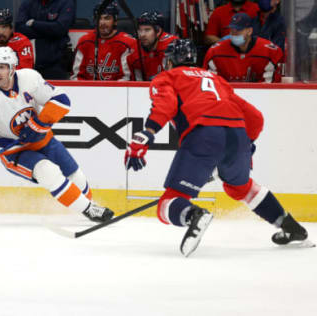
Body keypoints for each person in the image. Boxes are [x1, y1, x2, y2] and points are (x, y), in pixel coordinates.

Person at [124, 39, 311, 257]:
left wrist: (147, 133)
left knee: (168, 203)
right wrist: (246, 144)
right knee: (240, 188)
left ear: (169, 61)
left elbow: (165, 105)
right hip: (238, 135)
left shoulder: (167, 77)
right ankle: (289, 226)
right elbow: (255, 117)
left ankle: (193, 215)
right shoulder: (216, 79)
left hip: (204, 135)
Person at [0, 46, 114, 223]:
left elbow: (62, 101)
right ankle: (90, 210)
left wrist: (38, 124)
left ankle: (88, 206)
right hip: (14, 151)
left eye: (2, 67)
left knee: (76, 176)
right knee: (47, 171)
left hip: (44, 139)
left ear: (13, 67)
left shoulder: (29, 78)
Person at [203, 13, 283, 83]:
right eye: (232, 30)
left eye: (238, 30)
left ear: (250, 31)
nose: (234, 34)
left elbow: (271, 87)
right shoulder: (215, 51)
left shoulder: (269, 51)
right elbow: (210, 83)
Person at [70, 1, 137, 81]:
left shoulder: (127, 43)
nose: (102, 23)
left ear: (115, 21)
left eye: (107, 18)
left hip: (117, 91)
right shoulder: (84, 41)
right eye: (99, 18)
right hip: (87, 90)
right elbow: (76, 77)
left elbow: (126, 78)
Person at [15, 0, 75, 80]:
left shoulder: (66, 2)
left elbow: (60, 29)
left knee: (56, 92)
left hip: (56, 63)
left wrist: (34, 24)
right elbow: (19, 28)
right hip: (30, 63)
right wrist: (49, 32)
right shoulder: (27, 3)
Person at [128, 10, 178, 81]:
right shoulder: (135, 51)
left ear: (158, 31)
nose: (142, 35)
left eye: (147, 30)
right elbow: (137, 84)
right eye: (140, 30)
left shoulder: (172, 46)